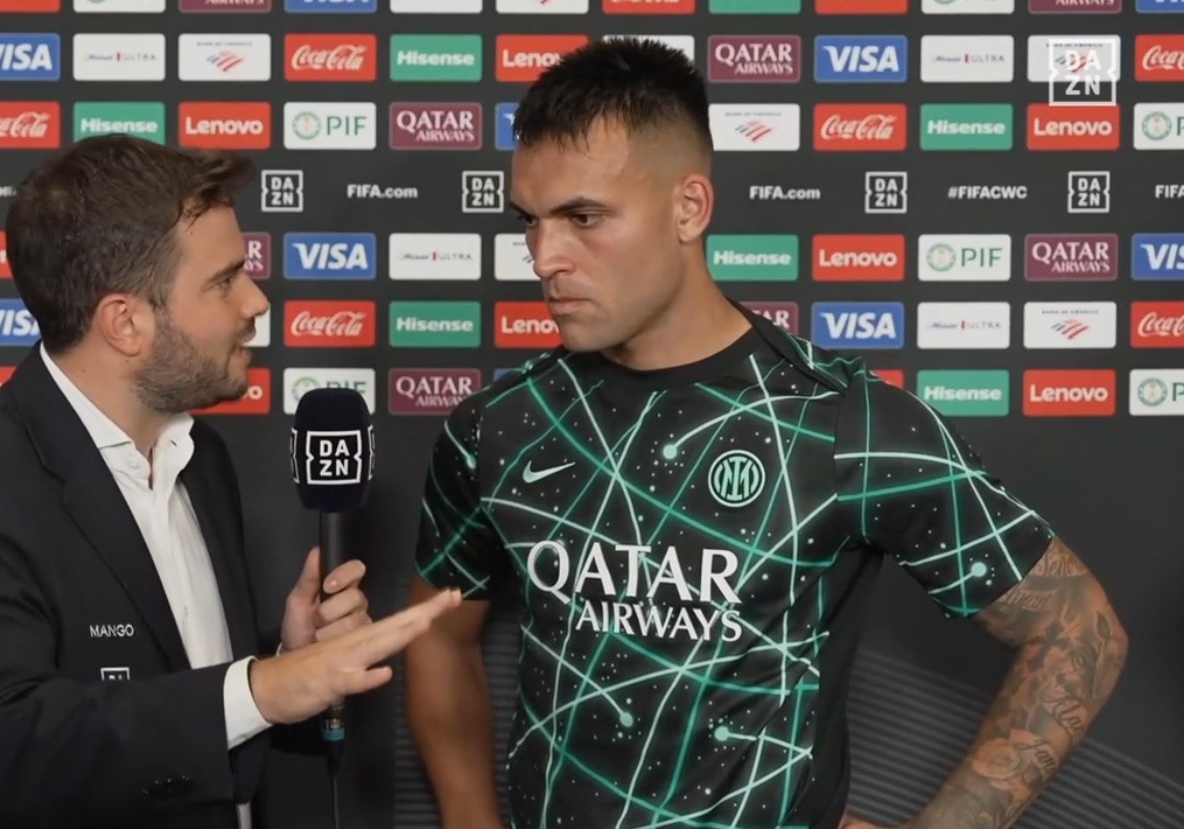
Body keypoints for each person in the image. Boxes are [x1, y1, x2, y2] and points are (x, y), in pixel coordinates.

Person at [403, 39, 1129, 829]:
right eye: (530, 221)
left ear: (688, 208)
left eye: (583, 217)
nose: (545, 256)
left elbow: (1075, 627)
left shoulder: (842, 422)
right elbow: (436, 634)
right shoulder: (499, 424)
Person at [0, 135, 462, 829]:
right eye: (223, 280)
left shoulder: (200, 456)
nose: (255, 300)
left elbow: (180, 687)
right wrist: (261, 687)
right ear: (125, 322)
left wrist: (287, 661)